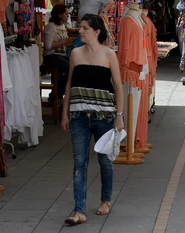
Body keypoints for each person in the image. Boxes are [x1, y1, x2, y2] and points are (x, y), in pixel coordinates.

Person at [61, 14, 124, 225]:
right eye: (80, 27)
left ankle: (106, 200)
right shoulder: (75, 53)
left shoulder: (109, 54)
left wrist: (119, 116)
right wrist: (65, 113)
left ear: (97, 31)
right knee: (79, 163)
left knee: (105, 162)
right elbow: (69, 84)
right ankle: (79, 210)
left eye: (85, 28)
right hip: (78, 116)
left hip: (104, 117)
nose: (80, 31)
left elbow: (118, 86)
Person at [43, 4, 75, 101]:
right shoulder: (51, 27)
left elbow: (63, 44)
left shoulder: (62, 26)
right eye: (66, 14)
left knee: (75, 66)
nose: (68, 16)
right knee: (71, 68)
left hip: (61, 55)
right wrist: (65, 41)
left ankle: (57, 94)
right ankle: (57, 94)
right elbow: (48, 46)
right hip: (51, 56)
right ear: (60, 15)